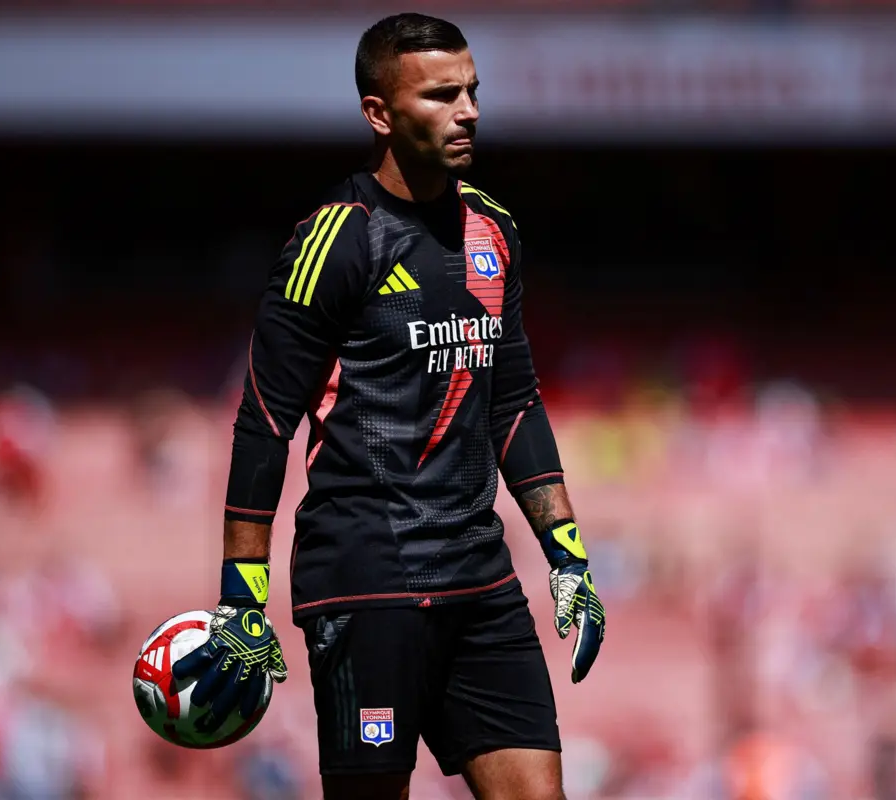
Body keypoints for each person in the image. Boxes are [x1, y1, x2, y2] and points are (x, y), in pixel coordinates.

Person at [175, 13, 606, 800]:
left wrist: (567, 554)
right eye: (442, 95)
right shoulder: (334, 240)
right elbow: (264, 420)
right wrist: (244, 592)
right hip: (367, 579)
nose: (467, 110)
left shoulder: (494, 229)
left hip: (481, 579)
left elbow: (513, 402)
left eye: (472, 90)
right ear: (379, 113)